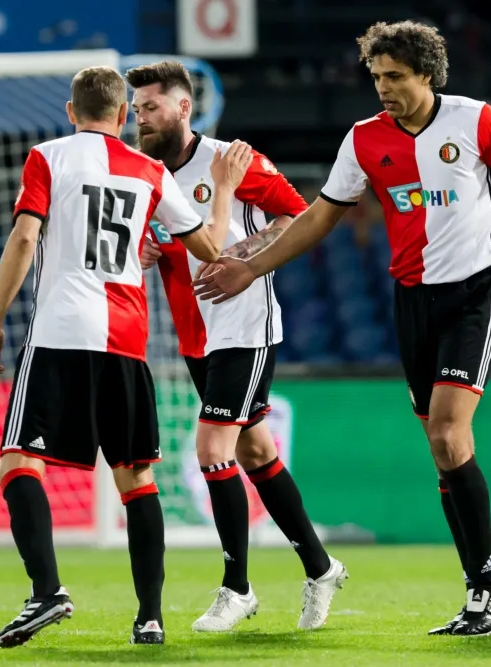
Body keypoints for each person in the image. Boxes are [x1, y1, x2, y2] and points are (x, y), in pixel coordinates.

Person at [195, 20, 491, 637]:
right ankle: (480, 598)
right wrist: (249, 269)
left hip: (475, 293)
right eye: (376, 76)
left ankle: (488, 592)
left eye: (394, 76)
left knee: (447, 431)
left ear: (427, 75)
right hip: (411, 301)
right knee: (443, 451)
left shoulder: (475, 120)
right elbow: (318, 218)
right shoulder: (363, 140)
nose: (382, 87)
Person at [0, 65, 252, 648]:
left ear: (72, 112)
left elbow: (25, 238)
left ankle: (47, 591)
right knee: (136, 478)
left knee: (18, 462)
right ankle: (149, 617)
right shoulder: (152, 169)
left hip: (58, 332)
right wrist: (224, 191)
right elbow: (208, 248)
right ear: (123, 116)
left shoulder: (47, 156)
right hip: (127, 339)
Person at [124, 60, 348, 632]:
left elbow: (299, 215)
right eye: (137, 108)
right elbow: (173, 240)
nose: (140, 118)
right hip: (196, 334)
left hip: (243, 327)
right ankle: (320, 568)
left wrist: (245, 256)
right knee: (254, 454)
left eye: (151, 107)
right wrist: (155, 250)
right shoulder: (147, 173)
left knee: (211, 448)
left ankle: (237, 587)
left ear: (182, 108)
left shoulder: (230, 161)